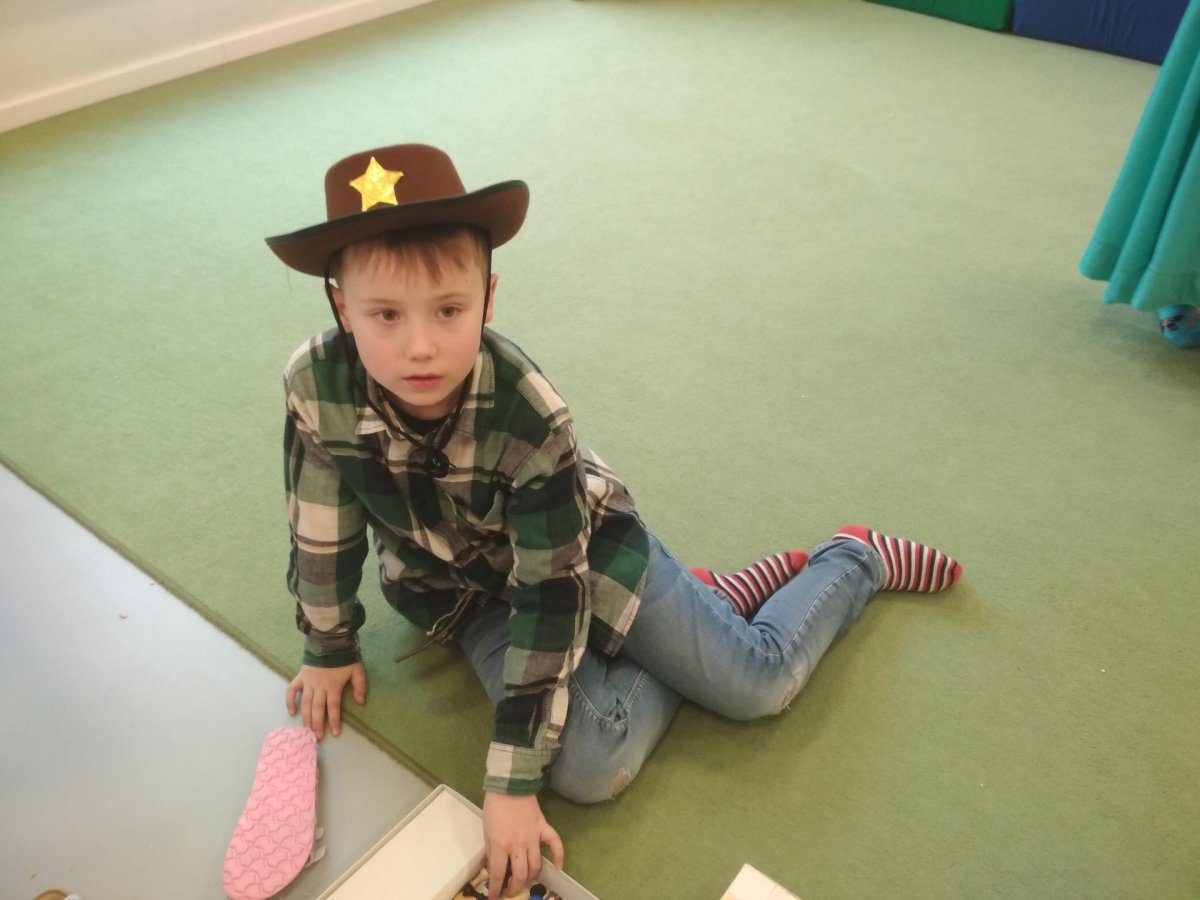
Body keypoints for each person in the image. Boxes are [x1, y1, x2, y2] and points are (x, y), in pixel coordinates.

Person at [266, 144, 963, 899]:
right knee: (592, 767)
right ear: (341, 308)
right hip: (466, 596)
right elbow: (321, 521)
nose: (421, 346)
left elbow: (552, 592)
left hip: (584, 557)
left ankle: (854, 559)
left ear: (488, 299)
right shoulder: (315, 382)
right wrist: (328, 643)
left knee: (758, 684)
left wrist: (507, 784)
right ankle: (712, 599)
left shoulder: (531, 414)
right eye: (385, 315)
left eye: (449, 311)